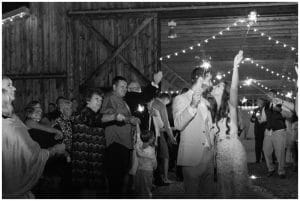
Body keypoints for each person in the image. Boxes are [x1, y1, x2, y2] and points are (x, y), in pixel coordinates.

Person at [2, 79, 65, 198]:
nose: (14, 88)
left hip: (36, 172)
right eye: (9, 85)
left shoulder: (14, 118)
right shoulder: (26, 122)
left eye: (41, 108)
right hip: (24, 176)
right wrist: (55, 148)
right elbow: (30, 154)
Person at [208, 50, 250, 198]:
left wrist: (235, 67)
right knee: (224, 186)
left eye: (218, 86)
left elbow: (234, 88)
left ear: (224, 92)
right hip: (220, 151)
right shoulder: (212, 110)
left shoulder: (231, 107)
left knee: (238, 185)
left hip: (233, 148)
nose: (214, 86)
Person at [72, 89, 125, 196]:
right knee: (86, 192)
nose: (99, 103)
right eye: (96, 99)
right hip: (84, 162)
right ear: (87, 100)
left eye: (101, 100)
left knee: (93, 191)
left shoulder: (94, 114)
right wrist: (114, 116)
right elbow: (95, 119)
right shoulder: (83, 113)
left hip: (94, 160)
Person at [172, 64, 214, 197]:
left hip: (208, 156)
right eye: (209, 79)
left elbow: (209, 128)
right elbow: (178, 125)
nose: (211, 83)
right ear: (200, 79)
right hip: (192, 157)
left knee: (208, 194)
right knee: (192, 194)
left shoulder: (206, 102)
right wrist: (192, 105)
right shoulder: (181, 99)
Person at [101, 76, 140, 196]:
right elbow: (106, 115)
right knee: (115, 181)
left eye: (126, 87)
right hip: (115, 144)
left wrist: (132, 119)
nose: (125, 89)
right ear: (114, 87)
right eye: (121, 86)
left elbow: (123, 117)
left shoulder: (121, 100)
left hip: (124, 143)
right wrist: (130, 119)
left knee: (121, 178)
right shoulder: (110, 98)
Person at [260, 90, 294, 178]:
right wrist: (260, 119)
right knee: (266, 151)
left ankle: (281, 171)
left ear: (275, 95)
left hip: (279, 131)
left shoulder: (282, 104)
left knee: (280, 153)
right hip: (268, 132)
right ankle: (271, 169)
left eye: (270, 94)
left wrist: (280, 110)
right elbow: (264, 118)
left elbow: (290, 115)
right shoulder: (265, 106)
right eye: (267, 94)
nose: (268, 96)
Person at [151, 93, 176, 184]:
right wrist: (172, 137)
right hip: (158, 133)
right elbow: (166, 123)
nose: (166, 105)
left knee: (153, 157)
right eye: (167, 103)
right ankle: (165, 178)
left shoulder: (151, 102)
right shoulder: (161, 105)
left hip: (150, 132)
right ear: (165, 99)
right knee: (165, 156)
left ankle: (154, 179)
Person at [134, 127, 157, 198]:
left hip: (139, 170)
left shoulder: (138, 145)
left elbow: (138, 135)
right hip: (148, 170)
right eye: (153, 137)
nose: (154, 138)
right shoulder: (151, 150)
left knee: (140, 186)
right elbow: (154, 161)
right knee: (147, 187)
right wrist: (155, 166)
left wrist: (137, 125)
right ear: (150, 140)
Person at [250, 97, 267, 163]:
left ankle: (264, 159)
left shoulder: (266, 109)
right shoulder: (255, 110)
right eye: (257, 101)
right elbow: (252, 120)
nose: (257, 102)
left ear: (262, 102)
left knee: (265, 145)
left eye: (258, 101)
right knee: (258, 145)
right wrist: (254, 118)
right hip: (257, 130)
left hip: (265, 129)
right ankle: (257, 159)